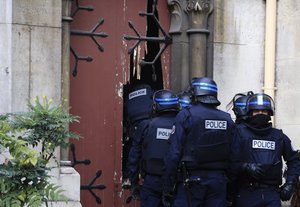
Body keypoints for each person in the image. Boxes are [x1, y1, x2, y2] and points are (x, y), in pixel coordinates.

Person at [162, 77, 235, 207]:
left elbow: (173, 154)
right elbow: (234, 155)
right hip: (218, 183)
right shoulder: (227, 119)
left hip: (191, 182)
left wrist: (168, 188)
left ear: (195, 93)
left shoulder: (186, 115)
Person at [231, 93, 300, 207]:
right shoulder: (239, 134)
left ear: (269, 113)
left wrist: (290, 184)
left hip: (272, 194)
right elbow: (229, 161)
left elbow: (294, 160)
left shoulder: (279, 136)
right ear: (250, 113)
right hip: (246, 192)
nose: (260, 114)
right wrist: (245, 167)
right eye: (257, 111)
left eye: (263, 111)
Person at [126, 89, 180, 206]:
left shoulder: (146, 125)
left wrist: (134, 182)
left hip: (151, 182)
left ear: (156, 106)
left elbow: (134, 156)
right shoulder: (183, 125)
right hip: (176, 183)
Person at [123, 83, 155, 189]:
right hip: (150, 128)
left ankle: (130, 178)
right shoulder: (152, 93)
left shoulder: (129, 97)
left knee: (134, 152)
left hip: (135, 130)